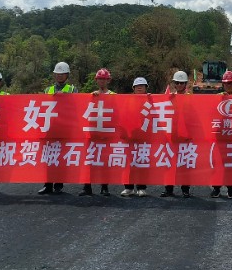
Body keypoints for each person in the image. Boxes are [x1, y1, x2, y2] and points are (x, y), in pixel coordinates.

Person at [38, 62, 77, 195]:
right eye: (58, 74)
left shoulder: (72, 89)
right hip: (50, 127)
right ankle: (47, 184)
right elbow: (42, 106)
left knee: (60, 156)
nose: (60, 76)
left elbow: (76, 106)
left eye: (62, 74)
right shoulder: (48, 90)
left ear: (67, 75)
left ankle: (59, 184)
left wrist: (65, 97)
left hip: (64, 128)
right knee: (48, 157)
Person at [79, 68, 115, 197]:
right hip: (93, 132)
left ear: (108, 80)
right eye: (99, 79)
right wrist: (91, 98)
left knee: (104, 161)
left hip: (106, 132)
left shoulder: (113, 95)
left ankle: (104, 187)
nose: (101, 81)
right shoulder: (92, 95)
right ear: (96, 80)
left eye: (104, 79)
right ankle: (86, 186)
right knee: (88, 161)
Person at [163, 71, 193, 198]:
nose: (179, 85)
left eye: (182, 83)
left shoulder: (191, 98)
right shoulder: (170, 97)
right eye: (177, 83)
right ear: (174, 84)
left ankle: (185, 189)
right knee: (170, 163)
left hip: (185, 135)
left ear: (185, 84)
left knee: (184, 164)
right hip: (172, 134)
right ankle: (168, 189)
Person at [211, 70, 232, 199]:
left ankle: (231, 189)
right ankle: (216, 188)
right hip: (220, 135)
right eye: (227, 83)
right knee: (218, 163)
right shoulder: (218, 97)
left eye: (231, 83)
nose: (229, 86)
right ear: (223, 84)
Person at [122, 77, 149, 197]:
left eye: (142, 86)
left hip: (144, 135)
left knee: (141, 161)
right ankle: (128, 188)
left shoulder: (150, 99)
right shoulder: (128, 100)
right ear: (133, 88)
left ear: (146, 88)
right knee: (129, 162)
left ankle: (141, 187)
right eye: (137, 86)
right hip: (130, 135)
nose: (139, 87)